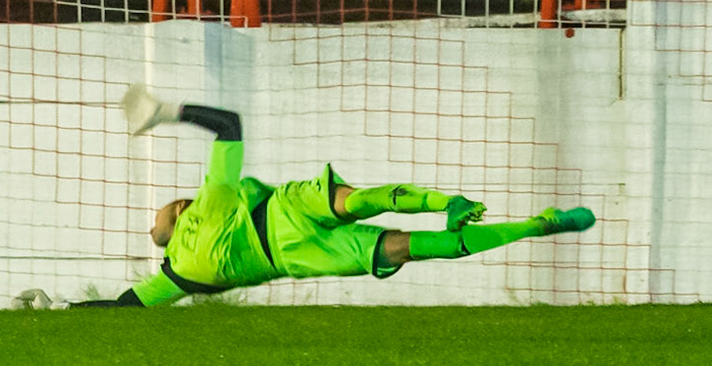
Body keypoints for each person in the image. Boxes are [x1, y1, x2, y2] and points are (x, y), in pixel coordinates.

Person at [66, 85, 595, 307]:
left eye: (154, 216)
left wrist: (167, 113)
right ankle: (541, 224)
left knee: (354, 200)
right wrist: (62, 308)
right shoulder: (175, 276)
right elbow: (123, 308)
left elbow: (228, 124)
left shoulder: (212, 195)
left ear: (179, 209)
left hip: (282, 208)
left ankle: (445, 203)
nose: (150, 225)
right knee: (409, 249)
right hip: (297, 255)